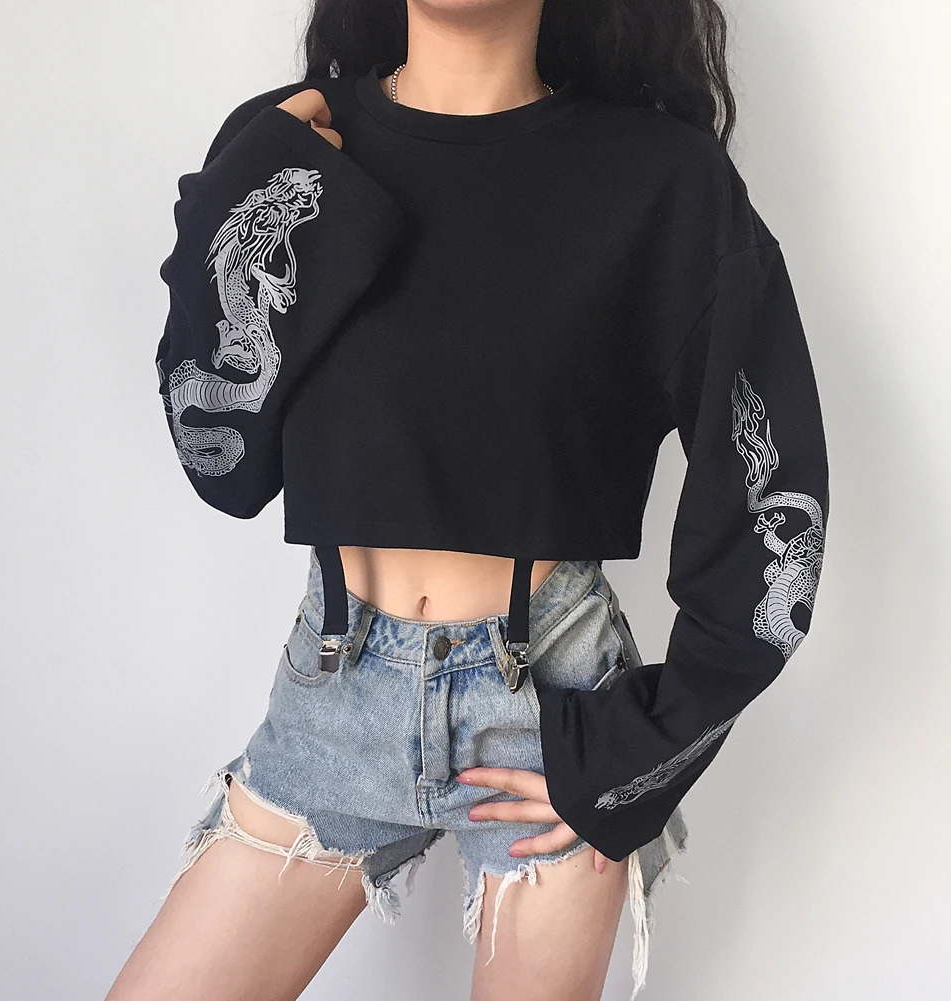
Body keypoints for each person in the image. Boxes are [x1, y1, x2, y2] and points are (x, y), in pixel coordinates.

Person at [109, 1, 829, 998]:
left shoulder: (658, 178)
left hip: (547, 702)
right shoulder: (292, 148)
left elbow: (770, 506)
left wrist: (634, 751)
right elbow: (220, 464)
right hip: (331, 693)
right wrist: (254, 187)